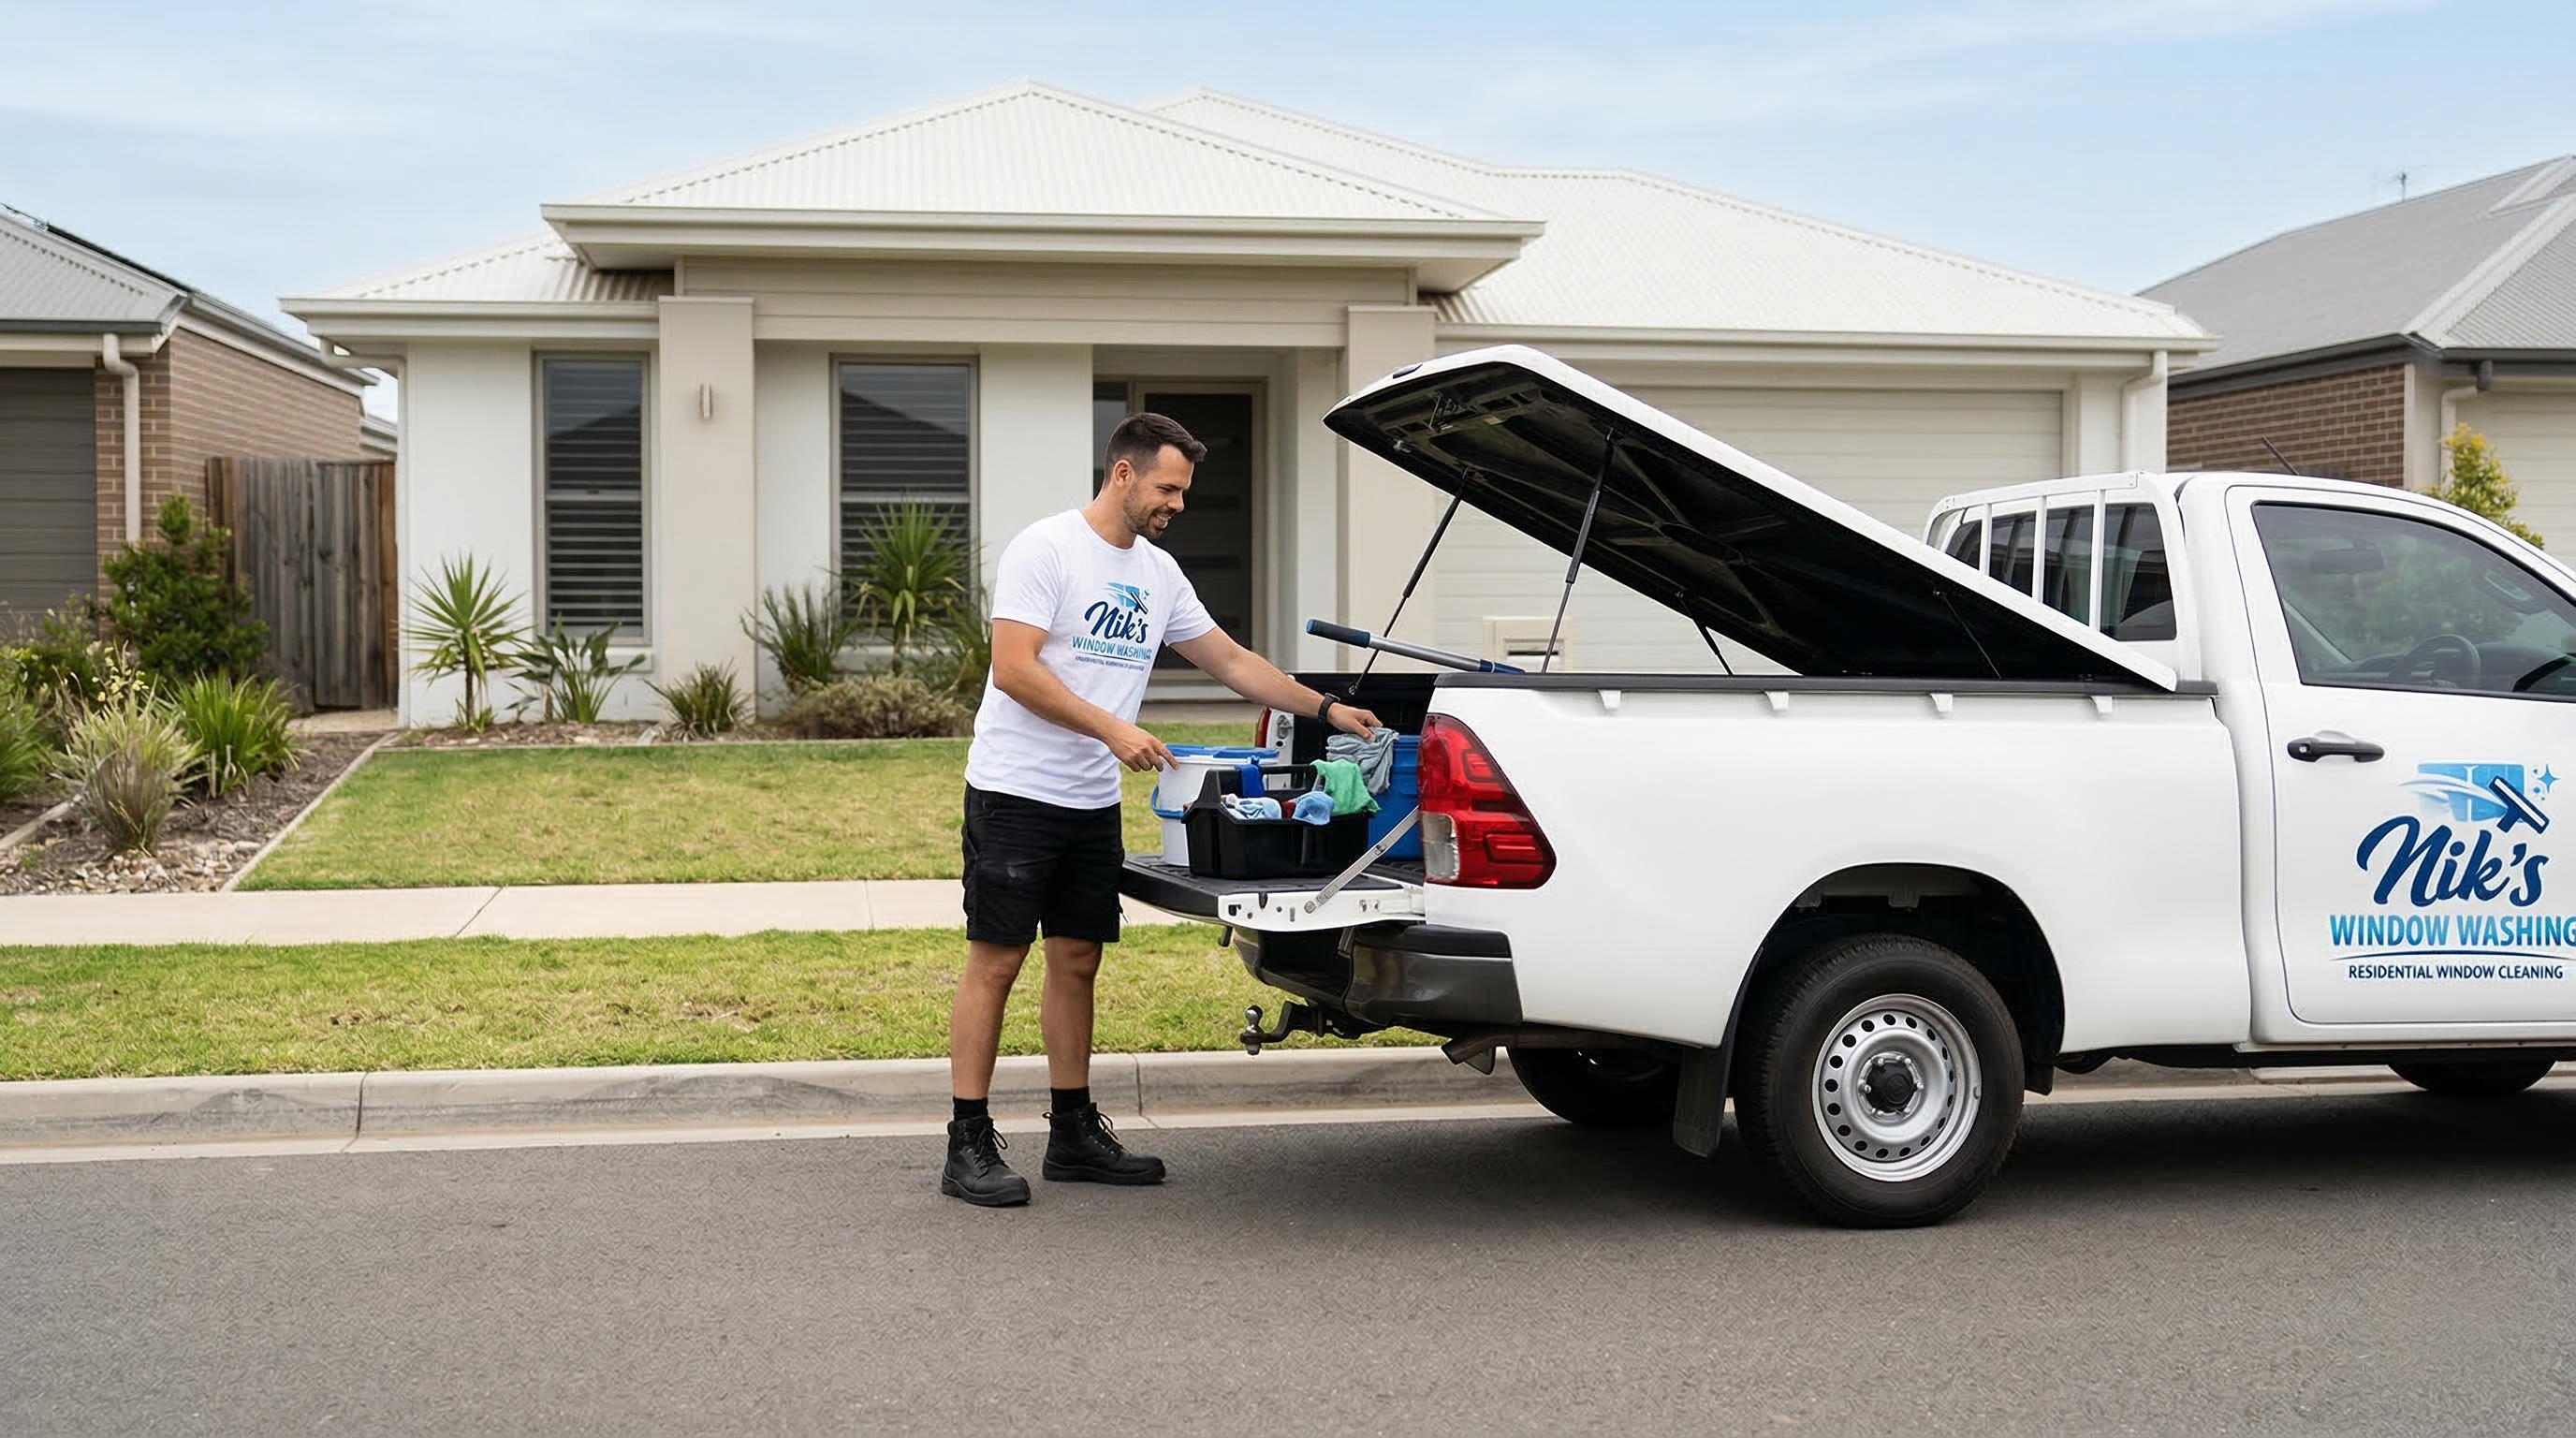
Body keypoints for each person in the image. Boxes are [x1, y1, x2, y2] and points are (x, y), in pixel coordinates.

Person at [943, 412, 1381, 1207]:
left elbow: (1231, 660)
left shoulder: (1157, 572)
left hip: (1086, 801)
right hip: (1014, 792)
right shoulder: (1046, 549)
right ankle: (966, 1139)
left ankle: (1071, 1133)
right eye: (1167, 487)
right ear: (1123, 474)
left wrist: (1326, 708)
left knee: (1077, 960)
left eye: (1183, 491)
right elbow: (1013, 668)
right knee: (998, 961)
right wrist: (1114, 727)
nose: (1176, 503)